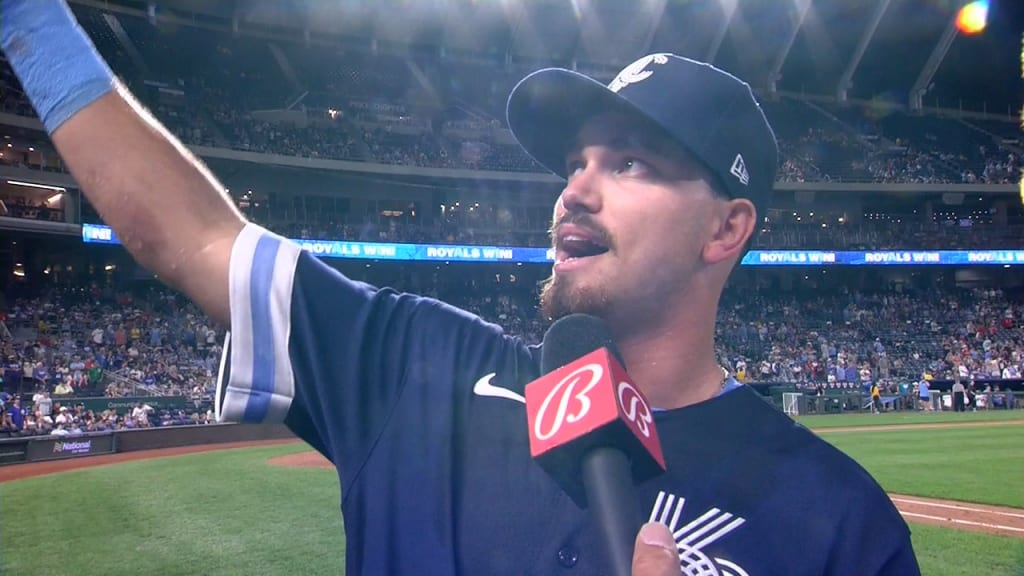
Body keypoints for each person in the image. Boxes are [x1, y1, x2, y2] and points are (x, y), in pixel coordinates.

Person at [1, 2, 920, 574]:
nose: (576, 189)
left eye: (632, 163)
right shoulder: (417, 366)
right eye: (575, 161)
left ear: (728, 228)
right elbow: (194, 236)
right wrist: (31, 21)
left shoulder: (840, 520)